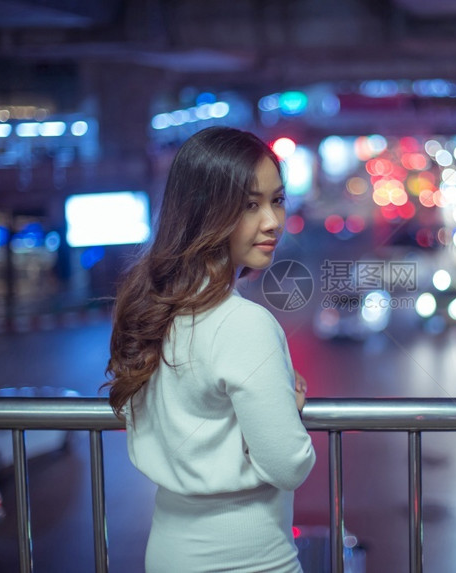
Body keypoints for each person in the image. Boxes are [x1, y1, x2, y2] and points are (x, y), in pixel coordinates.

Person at [103, 126, 315, 573]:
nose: (273, 221)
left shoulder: (159, 307)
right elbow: (289, 464)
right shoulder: (242, 323)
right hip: (250, 561)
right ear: (206, 212)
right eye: (249, 205)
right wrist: (285, 408)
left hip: (167, 551)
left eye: (276, 200)